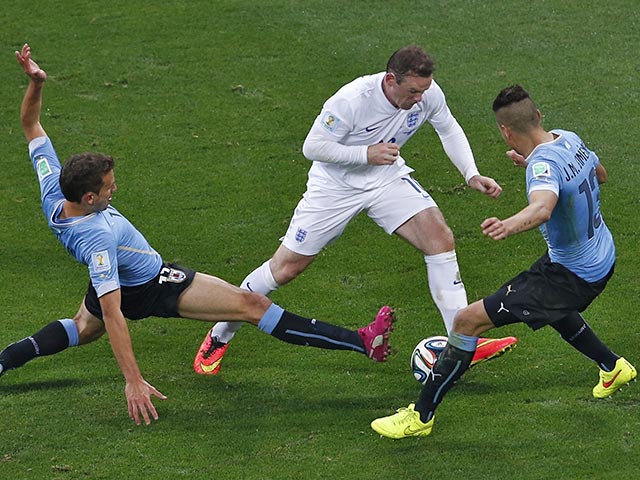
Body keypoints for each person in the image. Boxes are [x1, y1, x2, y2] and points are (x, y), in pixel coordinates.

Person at [0, 43, 396, 426]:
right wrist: (133, 380)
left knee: (80, 329)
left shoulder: (54, 191)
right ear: (89, 198)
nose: (114, 189)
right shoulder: (97, 238)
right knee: (253, 306)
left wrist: (36, 83)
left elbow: (31, 125)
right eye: (108, 188)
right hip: (149, 286)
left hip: (121, 275)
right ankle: (362, 341)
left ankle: (3, 362)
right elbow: (114, 314)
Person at [194, 44, 517, 375]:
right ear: (390, 80)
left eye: (424, 90)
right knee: (286, 268)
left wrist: (470, 173)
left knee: (439, 238)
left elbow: (447, 126)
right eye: (413, 91)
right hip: (335, 188)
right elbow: (313, 147)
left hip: (385, 177)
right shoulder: (351, 100)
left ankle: (461, 344)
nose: (420, 98)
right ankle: (220, 334)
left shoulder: (427, 93)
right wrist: (365, 154)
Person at [370, 85, 637, 439]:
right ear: (538, 116)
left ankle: (420, 418)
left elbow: (542, 209)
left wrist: (508, 225)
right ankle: (613, 366)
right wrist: (543, 170)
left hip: (572, 275)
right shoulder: (568, 139)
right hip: (601, 254)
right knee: (551, 307)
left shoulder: (543, 166)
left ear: (506, 132)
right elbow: (599, 174)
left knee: (466, 322)